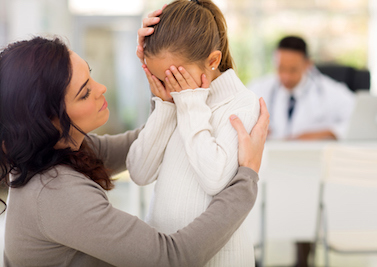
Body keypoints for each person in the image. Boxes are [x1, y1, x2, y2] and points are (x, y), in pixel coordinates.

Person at [0, 10, 270, 267]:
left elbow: (142, 144)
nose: (101, 88)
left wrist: (169, 90)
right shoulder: (57, 194)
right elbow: (170, 259)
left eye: (90, 75)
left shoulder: (52, 149)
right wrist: (247, 175)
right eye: (84, 93)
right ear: (48, 121)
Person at [126, 1, 259, 266]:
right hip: (166, 255)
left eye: (175, 77)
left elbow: (214, 179)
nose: (168, 87)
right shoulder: (175, 98)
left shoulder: (242, 103)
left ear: (213, 61)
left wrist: (189, 104)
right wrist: (164, 106)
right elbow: (139, 172)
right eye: (159, 78)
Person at [247, 35, 355, 140]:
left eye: (293, 70)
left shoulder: (331, 91)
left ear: (308, 64)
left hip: (312, 155)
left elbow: (358, 121)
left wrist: (330, 133)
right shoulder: (258, 87)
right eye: (281, 68)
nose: (286, 76)